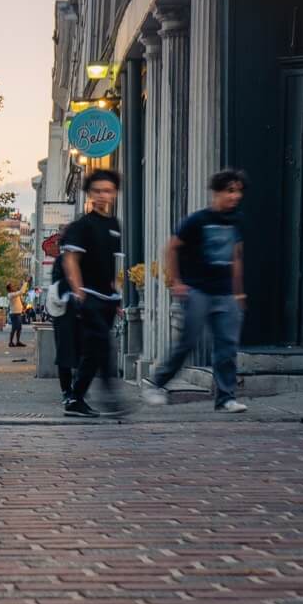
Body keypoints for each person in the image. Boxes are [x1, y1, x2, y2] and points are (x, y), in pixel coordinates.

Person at [142, 169, 248, 413]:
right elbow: (171, 249)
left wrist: (239, 292)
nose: (235, 196)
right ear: (217, 192)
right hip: (198, 291)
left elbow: (237, 256)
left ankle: (225, 398)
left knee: (227, 347)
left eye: (239, 191)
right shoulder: (197, 220)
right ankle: (155, 384)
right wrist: (176, 282)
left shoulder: (236, 221)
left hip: (225, 293)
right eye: (230, 191)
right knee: (187, 342)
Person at [60, 169, 126, 418]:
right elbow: (70, 260)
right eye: (97, 191)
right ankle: (112, 398)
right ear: (89, 193)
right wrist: (79, 294)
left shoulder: (114, 225)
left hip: (107, 299)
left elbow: (111, 266)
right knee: (105, 345)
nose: (102, 195)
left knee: (92, 352)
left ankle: (76, 399)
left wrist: (117, 297)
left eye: (107, 190)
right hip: (87, 297)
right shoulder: (81, 225)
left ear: (114, 193)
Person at [45, 256, 76, 403]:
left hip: (80, 314)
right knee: (65, 355)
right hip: (64, 314)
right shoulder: (63, 260)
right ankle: (67, 391)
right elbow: (58, 285)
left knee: (82, 354)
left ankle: (77, 389)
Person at [6, 282, 27, 347]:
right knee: (14, 328)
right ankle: (10, 342)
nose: (14, 287)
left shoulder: (14, 294)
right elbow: (21, 291)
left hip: (18, 313)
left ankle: (17, 342)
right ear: (9, 288)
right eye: (12, 286)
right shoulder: (10, 294)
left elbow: (20, 293)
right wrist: (25, 283)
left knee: (19, 328)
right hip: (14, 314)